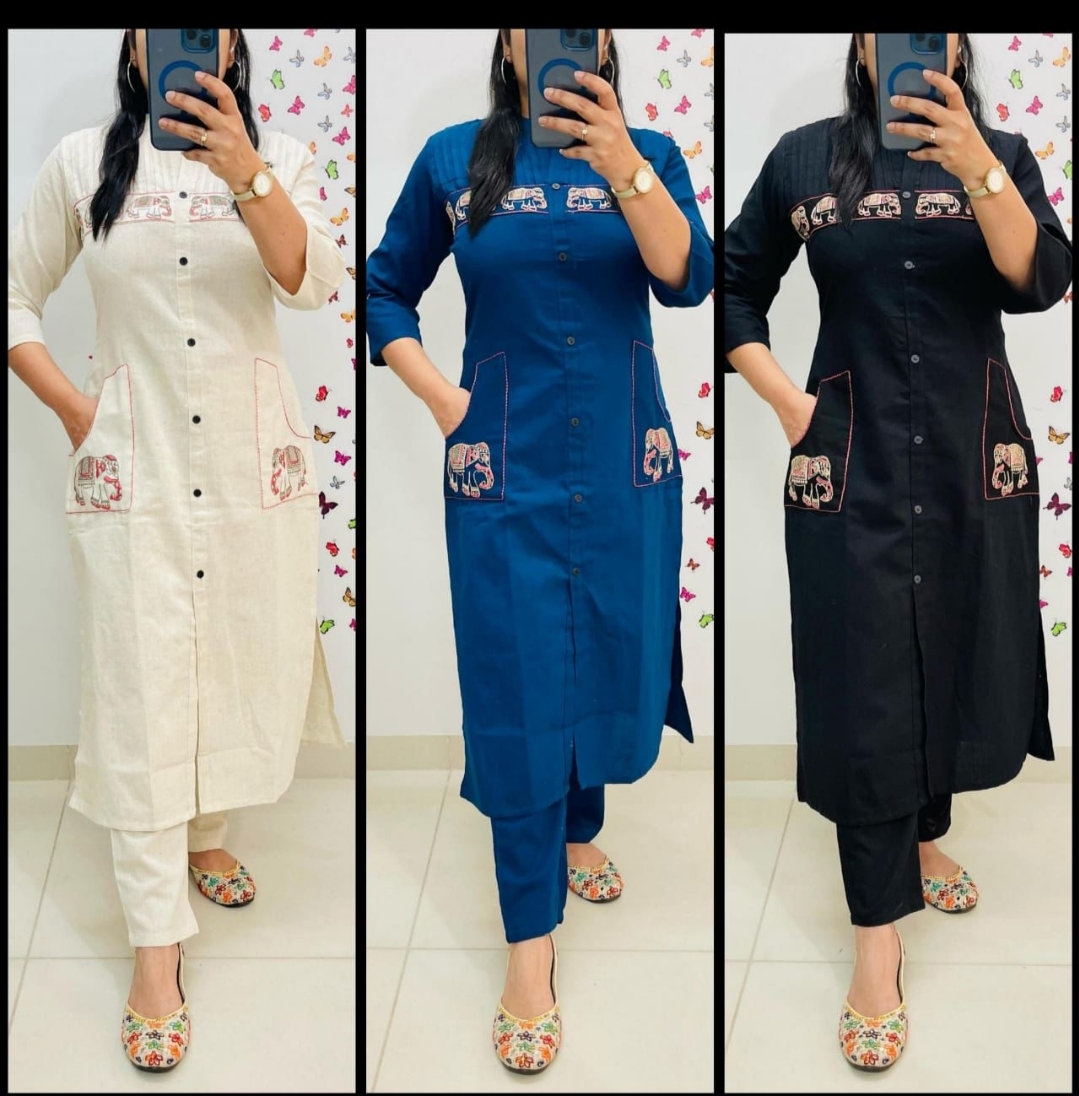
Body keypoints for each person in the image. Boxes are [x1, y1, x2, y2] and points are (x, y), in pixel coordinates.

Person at [366, 28, 713, 1074]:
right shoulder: (451, 159)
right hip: (503, 464)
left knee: (608, 646)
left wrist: (622, 162)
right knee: (514, 680)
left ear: (603, 45)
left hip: (621, 458)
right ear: (509, 43)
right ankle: (529, 947)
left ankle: (577, 825)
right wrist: (442, 398)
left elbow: (687, 279)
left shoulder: (649, 151)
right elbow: (383, 287)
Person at [724, 32, 1070, 1071]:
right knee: (862, 680)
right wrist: (786, 402)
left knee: (956, 642)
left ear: (956, 47)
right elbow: (732, 283)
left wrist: (975, 167)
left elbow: (1041, 281)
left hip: (971, 455)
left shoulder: (1000, 154)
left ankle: (922, 837)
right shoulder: (803, 159)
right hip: (850, 456)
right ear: (862, 45)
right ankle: (875, 941)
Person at [7, 29, 347, 1071]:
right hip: (136, 471)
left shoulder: (281, 158)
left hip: (250, 475)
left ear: (234, 46)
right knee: (140, 690)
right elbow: (13, 296)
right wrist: (75, 410)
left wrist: (245, 171)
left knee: (237, 656)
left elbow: (311, 282)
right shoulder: (80, 165)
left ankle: (207, 835)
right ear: (134, 44)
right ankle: (156, 950)